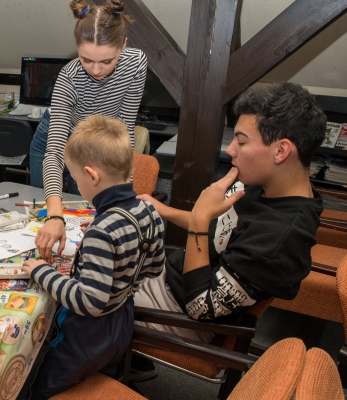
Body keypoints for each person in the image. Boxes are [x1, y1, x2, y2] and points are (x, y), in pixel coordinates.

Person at [134, 82, 326, 348]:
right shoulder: (264, 184)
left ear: (281, 151)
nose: (231, 150)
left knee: (77, 294)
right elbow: (215, 225)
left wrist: (200, 220)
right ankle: (122, 361)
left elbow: (201, 307)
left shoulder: (277, 240)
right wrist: (163, 210)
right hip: (168, 277)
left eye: (242, 141)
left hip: (179, 314)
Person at [21, 115, 166, 399]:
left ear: (92, 176)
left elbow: (90, 302)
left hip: (87, 334)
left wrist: (42, 271)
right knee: (102, 372)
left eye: (75, 179)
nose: (76, 186)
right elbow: (154, 267)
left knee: (44, 385)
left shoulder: (104, 229)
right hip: (123, 321)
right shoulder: (148, 211)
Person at [31, 0, 147, 261]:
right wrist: (55, 215)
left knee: (91, 212)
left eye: (106, 61)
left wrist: (120, 202)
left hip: (94, 142)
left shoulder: (136, 64)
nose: (96, 70)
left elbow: (124, 132)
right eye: (86, 60)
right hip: (57, 139)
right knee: (46, 217)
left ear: (124, 45)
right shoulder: (68, 79)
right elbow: (54, 153)